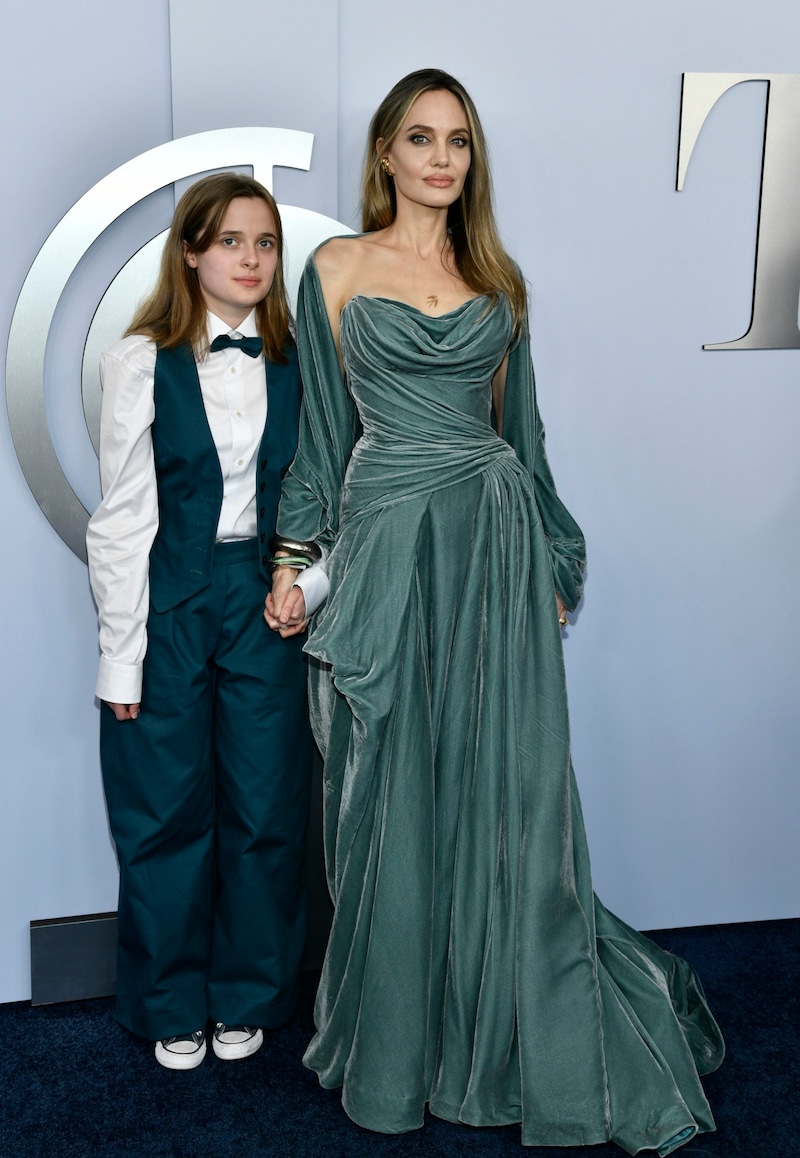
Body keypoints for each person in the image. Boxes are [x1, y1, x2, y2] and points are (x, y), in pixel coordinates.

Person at [265, 70, 724, 1153]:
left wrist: (555, 554)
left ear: (470, 160)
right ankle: (399, 1044)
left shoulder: (498, 281)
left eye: (457, 141)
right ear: (383, 152)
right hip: (386, 546)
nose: (438, 158)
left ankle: (516, 1016)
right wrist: (294, 563)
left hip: (493, 548)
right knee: (390, 790)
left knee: (505, 791)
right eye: (418, 138)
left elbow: (523, 433)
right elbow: (322, 441)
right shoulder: (332, 267)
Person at [87, 173, 326, 1070]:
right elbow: (119, 517)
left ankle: (249, 993)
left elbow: (333, 498)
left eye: (264, 243)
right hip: (170, 597)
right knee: (163, 810)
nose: (252, 258)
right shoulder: (139, 360)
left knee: (266, 807)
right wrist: (121, 657)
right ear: (191, 252)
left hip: (269, 601)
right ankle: (167, 1000)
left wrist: (309, 582)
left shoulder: (307, 363)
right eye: (231, 241)